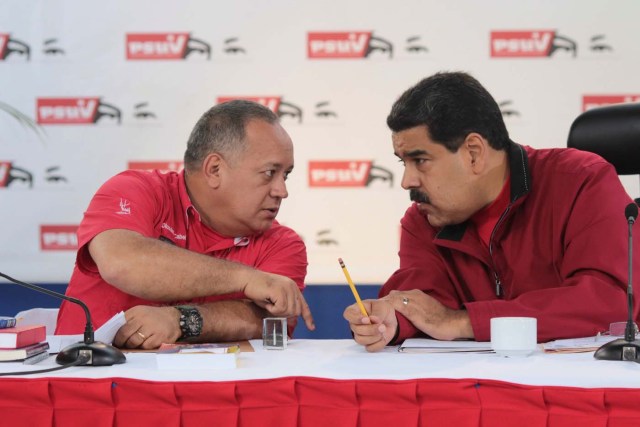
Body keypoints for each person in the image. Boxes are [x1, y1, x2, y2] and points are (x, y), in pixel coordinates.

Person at [344, 71, 640, 352]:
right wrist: (393, 321)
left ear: (474, 153)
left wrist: (461, 322)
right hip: (488, 394)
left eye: (420, 160)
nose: (407, 181)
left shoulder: (582, 181)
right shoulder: (423, 218)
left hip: (597, 389)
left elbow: (607, 303)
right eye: (402, 163)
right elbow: (425, 302)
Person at [55, 100, 315, 349]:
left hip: (209, 392)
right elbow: (122, 262)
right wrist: (246, 279)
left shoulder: (284, 244)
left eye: (286, 175)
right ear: (214, 169)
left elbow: (267, 321)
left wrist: (180, 320)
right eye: (270, 173)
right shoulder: (135, 190)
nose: (282, 191)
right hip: (86, 384)